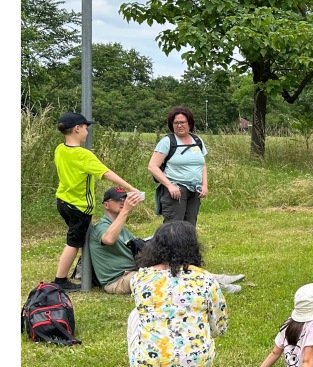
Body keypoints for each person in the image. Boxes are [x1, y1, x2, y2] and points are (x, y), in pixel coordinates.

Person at [126, 220, 228, 367]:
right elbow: (219, 327)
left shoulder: (140, 278)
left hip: (148, 363)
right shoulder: (205, 279)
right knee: (193, 328)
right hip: (196, 363)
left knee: (136, 315)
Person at [89, 186, 244, 295]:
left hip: (133, 272)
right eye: (118, 200)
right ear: (106, 205)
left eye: (125, 199)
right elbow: (108, 239)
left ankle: (215, 278)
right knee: (169, 273)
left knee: (172, 258)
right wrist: (126, 211)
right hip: (118, 281)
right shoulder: (102, 226)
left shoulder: (119, 225)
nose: (123, 202)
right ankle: (214, 285)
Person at [52, 111, 140, 292]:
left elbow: (74, 161)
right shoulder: (84, 156)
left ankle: (85, 272)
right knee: (74, 243)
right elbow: (107, 173)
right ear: (77, 129)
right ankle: (60, 280)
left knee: (79, 239)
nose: (87, 132)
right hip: (79, 207)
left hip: (62, 201)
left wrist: (86, 155)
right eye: (85, 128)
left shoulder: (60, 149)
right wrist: (130, 188)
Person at [148, 106, 207, 225]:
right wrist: (170, 186)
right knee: (173, 228)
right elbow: (153, 166)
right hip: (176, 191)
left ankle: (188, 244)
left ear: (189, 123)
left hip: (195, 190)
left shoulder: (197, 140)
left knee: (190, 226)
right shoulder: (167, 141)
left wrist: (204, 185)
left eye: (182, 122)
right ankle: (167, 244)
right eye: (176, 123)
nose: (179, 125)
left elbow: (202, 165)